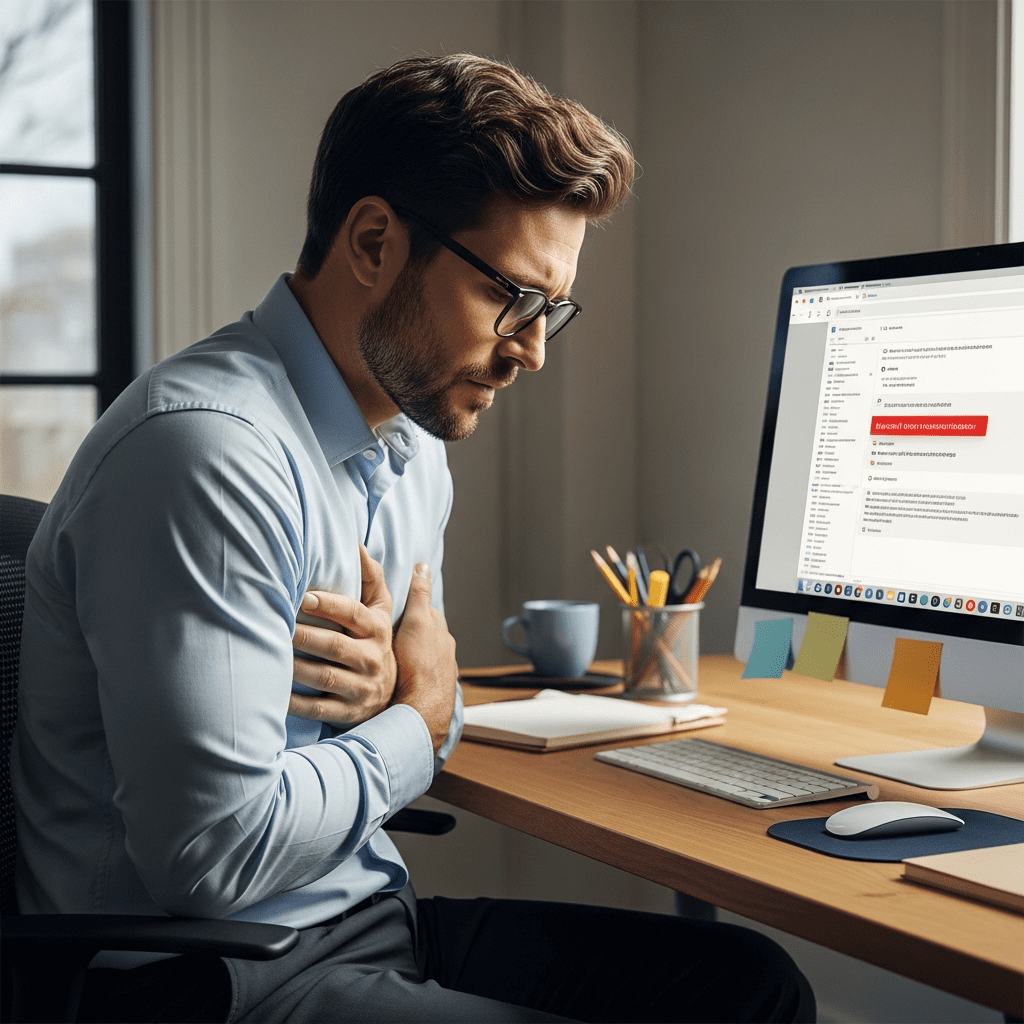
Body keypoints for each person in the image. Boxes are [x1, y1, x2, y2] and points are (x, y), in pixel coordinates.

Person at [12, 54, 815, 1023]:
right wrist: (415, 724)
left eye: (552, 309)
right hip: (203, 977)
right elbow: (210, 858)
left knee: (751, 986)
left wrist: (409, 698)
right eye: (511, 298)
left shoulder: (409, 442)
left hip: (359, 916)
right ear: (373, 241)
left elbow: (430, 689)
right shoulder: (205, 459)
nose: (533, 350)